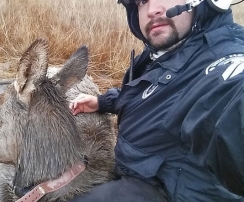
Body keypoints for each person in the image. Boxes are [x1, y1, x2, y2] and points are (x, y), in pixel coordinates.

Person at [69, 0, 244, 201]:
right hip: (136, 175)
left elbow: (231, 110)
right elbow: (159, 96)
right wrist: (104, 102)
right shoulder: (171, 52)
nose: (152, 10)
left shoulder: (224, 62)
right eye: (142, 1)